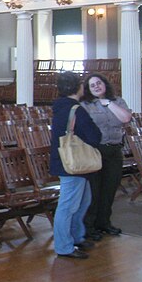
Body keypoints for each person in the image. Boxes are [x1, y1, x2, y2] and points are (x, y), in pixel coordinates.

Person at [50, 71, 101, 259]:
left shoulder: (62, 107)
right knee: (68, 206)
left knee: (82, 201)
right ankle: (64, 246)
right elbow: (94, 136)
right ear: (77, 87)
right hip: (72, 163)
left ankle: (77, 236)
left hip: (70, 161)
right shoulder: (75, 109)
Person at [81, 73, 132, 240]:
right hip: (96, 150)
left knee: (110, 189)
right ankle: (89, 226)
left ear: (105, 84)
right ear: (88, 89)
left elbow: (125, 118)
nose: (96, 86)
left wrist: (108, 103)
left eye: (98, 83)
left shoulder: (117, 101)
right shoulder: (85, 105)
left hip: (115, 150)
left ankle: (104, 222)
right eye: (92, 85)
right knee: (94, 191)